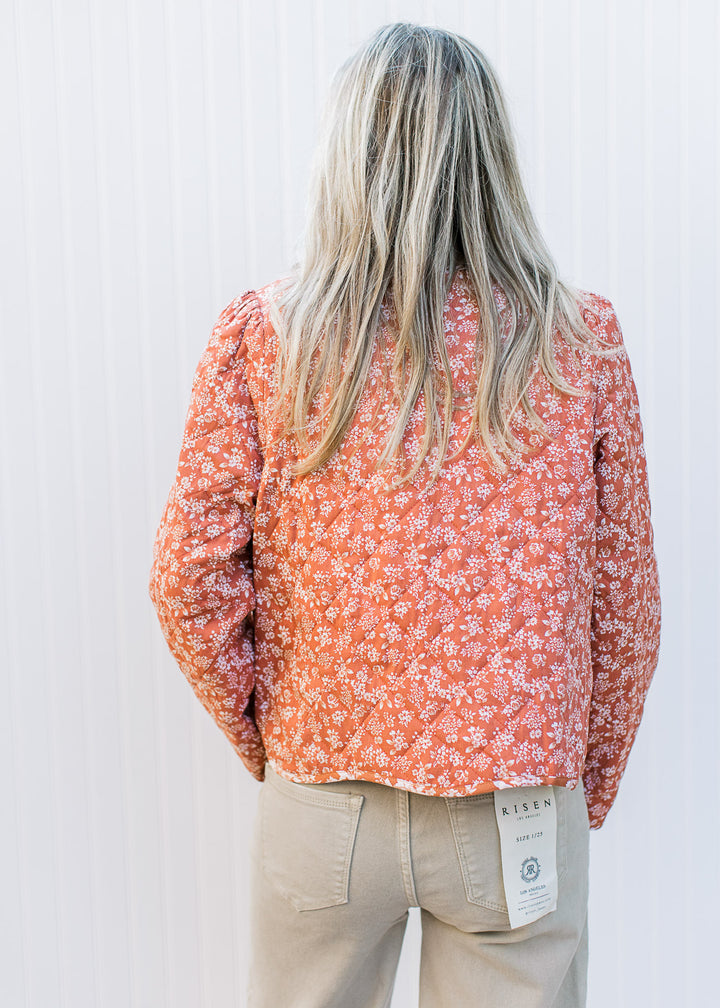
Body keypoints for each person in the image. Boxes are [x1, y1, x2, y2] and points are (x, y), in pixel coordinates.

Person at [148, 21, 661, 1008]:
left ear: (348, 154)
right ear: (493, 157)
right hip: (515, 800)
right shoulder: (581, 339)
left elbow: (190, 579)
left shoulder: (269, 335)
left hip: (325, 797)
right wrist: (581, 781)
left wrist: (275, 739)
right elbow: (625, 599)